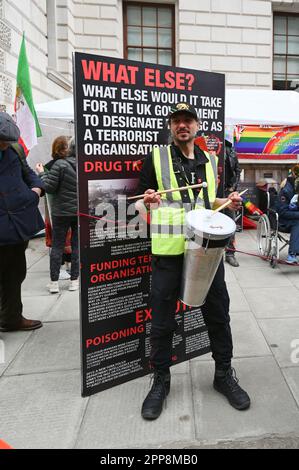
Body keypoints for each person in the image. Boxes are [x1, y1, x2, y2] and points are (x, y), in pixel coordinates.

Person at [137, 103, 250, 420]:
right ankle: (161, 380)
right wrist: (148, 202)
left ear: (197, 126)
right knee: (161, 322)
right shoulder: (156, 159)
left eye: (187, 120)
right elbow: (140, 209)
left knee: (218, 314)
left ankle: (223, 374)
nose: (182, 125)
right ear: (171, 127)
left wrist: (227, 200)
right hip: (169, 252)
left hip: (205, 251)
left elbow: (204, 201)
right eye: (176, 121)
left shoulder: (210, 160)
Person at [0, 112, 44, 332]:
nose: (4, 145)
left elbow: (29, 174)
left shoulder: (14, 150)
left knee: (15, 273)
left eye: (8, 141)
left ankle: (11, 317)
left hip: (18, 223)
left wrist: (36, 191)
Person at [36, 137, 79, 293]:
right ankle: (74, 281)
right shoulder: (82, 164)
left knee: (57, 246)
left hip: (60, 212)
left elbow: (49, 188)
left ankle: (54, 283)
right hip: (78, 212)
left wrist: (41, 174)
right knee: (76, 246)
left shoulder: (59, 165)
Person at [44, 136, 72, 281]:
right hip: (63, 209)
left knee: (60, 241)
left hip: (58, 209)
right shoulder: (67, 164)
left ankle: (64, 268)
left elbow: (48, 188)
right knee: (64, 240)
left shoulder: (50, 165)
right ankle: (64, 268)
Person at [276, 164, 299, 264]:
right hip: (285, 221)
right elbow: (283, 212)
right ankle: (292, 254)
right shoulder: (286, 190)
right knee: (298, 223)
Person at [224, 139, 241, 267]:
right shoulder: (202, 146)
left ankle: (230, 254)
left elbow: (237, 170)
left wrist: (233, 188)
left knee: (230, 223)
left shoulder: (230, 149)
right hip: (210, 191)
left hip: (228, 191)